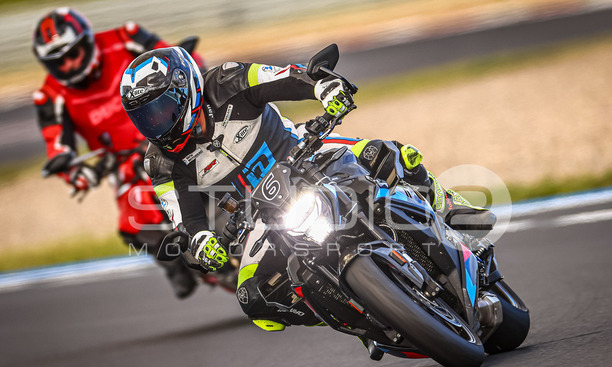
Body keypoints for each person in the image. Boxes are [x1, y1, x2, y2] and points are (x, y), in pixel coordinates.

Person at [120, 47, 496, 329]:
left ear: (185, 89)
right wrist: (202, 241)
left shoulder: (227, 81)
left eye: (161, 109)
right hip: (259, 216)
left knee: (388, 155)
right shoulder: (160, 163)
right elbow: (184, 217)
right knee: (255, 298)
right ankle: (367, 317)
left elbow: (287, 77)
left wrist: (324, 87)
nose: (156, 124)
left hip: (307, 154)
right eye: (145, 118)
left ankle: (450, 209)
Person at [32, 7, 207, 299]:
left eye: (72, 54)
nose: (68, 65)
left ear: (86, 41)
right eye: (57, 62)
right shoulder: (50, 96)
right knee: (131, 221)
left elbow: (178, 60)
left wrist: (199, 77)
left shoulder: (127, 38)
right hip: (124, 160)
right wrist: (76, 174)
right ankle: (174, 265)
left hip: (177, 126)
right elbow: (57, 145)